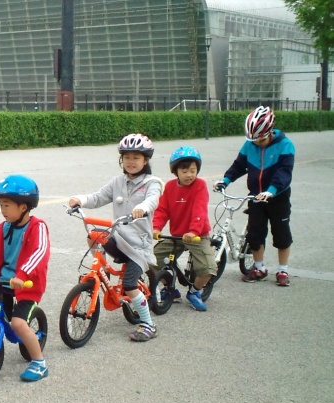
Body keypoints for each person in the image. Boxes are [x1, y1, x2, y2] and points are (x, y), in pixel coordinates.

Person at [68, 133, 163, 341]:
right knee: (93, 234)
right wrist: (80, 200)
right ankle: (101, 270)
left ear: (145, 160)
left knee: (130, 285)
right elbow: (98, 197)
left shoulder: (153, 183)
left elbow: (152, 200)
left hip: (138, 246)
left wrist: (142, 208)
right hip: (119, 238)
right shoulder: (117, 182)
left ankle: (148, 324)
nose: (131, 162)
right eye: (127, 157)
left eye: (136, 157)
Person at [0, 175, 51, 382]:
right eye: (1, 205)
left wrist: (22, 275)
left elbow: (39, 253)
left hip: (26, 286)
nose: (3, 210)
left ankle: (39, 363)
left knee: (19, 324)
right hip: (1, 283)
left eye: (7, 205)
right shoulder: (2, 229)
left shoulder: (37, 227)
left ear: (24, 207)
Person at [214, 106, 295, 286]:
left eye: (261, 139)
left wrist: (271, 191)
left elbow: (284, 173)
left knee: (281, 234)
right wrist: (225, 180)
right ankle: (259, 267)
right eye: (254, 140)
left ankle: (283, 270)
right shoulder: (250, 145)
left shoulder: (285, 145)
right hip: (256, 196)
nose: (257, 143)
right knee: (255, 233)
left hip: (278, 196)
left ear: (270, 132)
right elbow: (239, 165)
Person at [152, 146, 217, 311]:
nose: (190, 175)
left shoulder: (200, 185)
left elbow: (199, 209)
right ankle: (169, 288)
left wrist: (194, 231)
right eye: (185, 171)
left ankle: (194, 291)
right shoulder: (170, 187)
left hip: (197, 235)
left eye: (193, 170)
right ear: (175, 172)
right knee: (151, 259)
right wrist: (155, 228)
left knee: (208, 268)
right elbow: (162, 210)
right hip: (177, 235)